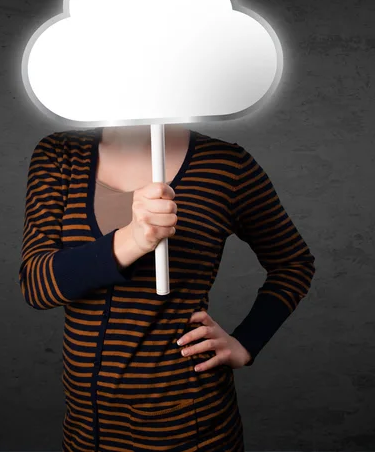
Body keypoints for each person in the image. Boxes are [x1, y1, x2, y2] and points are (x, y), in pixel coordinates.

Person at [20, 124, 316, 452]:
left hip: (186, 422)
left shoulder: (226, 165)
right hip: (84, 426)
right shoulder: (60, 154)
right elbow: (36, 285)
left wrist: (245, 343)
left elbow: (293, 264)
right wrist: (133, 239)